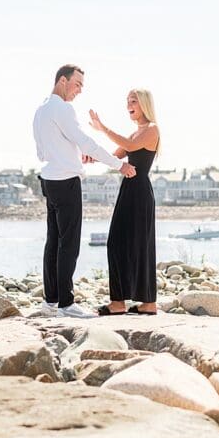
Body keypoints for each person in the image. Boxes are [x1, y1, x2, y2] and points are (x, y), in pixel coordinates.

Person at [33, 64, 136, 318]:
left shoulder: (41, 110)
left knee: (53, 242)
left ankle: (50, 302)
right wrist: (119, 165)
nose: (79, 90)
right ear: (62, 81)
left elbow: (44, 151)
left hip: (48, 180)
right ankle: (67, 304)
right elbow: (85, 140)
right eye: (77, 84)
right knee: (68, 244)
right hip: (66, 182)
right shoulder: (63, 108)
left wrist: (76, 157)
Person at [88, 88, 160, 315]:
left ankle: (127, 303)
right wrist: (93, 156)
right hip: (129, 190)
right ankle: (141, 302)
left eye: (134, 101)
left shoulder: (151, 130)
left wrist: (103, 128)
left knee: (134, 244)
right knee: (122, 243)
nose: (129, 105)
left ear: (144, 105)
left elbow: (128, 148)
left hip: (139, 192)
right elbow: (117, 154)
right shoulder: (136, 133)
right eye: (127, 101)